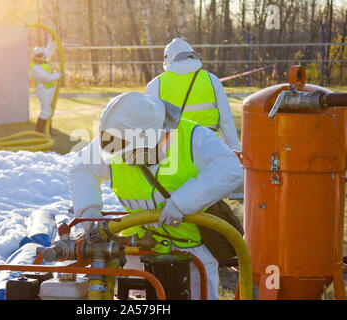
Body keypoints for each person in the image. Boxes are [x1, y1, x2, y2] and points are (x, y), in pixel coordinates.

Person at [69, 92, 243, 300]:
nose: (125, 158)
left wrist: (182, 204)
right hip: (138, 251)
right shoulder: (119, 138)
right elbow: (82, 168)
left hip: (192, 252)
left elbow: (229, 168)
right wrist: (90, 214)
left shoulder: (192, 137)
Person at [145, 38, 243, 199]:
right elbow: (226, 120)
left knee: (178, 201)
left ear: (168, 60)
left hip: (174, 153)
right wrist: (235, 149)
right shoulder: (211, 80)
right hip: (209, 149)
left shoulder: (156, 84)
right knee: (209, 202)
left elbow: (148, 126)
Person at [31, 41, 61, 133]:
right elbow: (46, 78)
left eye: (41, 56)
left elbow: (49, 50)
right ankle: (39, 132)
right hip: (43, 91)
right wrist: (58, 75)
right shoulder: (36, 68)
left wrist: (52, 40)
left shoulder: (45, 59)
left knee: (50, 110)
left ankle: (49, 131)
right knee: (46, 111)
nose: (40, 59)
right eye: (38, 57)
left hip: (50, 89)